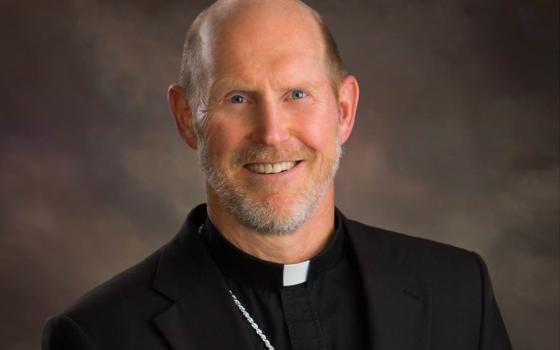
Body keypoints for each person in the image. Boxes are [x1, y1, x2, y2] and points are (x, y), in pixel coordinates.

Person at [42, 0, 513, 349]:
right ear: (187, 118)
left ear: (344, 111)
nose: (271, 133)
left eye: (297, 95)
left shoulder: (457, 290)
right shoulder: (99, 336)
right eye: (238, 98)